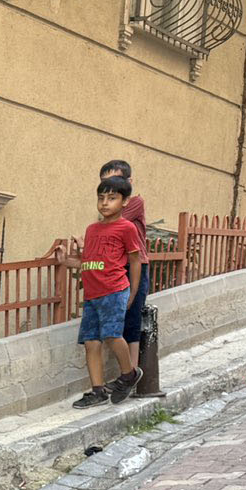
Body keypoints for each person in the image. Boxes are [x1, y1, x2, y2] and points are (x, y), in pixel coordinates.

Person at [74, 174, 144, 407]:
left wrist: (133, 293)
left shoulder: (127, 228)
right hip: (92, 294)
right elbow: (88, 261)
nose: (105, 203)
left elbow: (135, 261)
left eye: (112, 198)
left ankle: (129, 374)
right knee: (91, 342)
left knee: (112, 335)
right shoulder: (92, 229)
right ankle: (98, 390)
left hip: (115, 290)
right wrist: (66, 261)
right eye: (101, 198)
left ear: (124, 202)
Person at [102, 157, 152, 355]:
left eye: (116, 182)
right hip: (115, 265)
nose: (110, 188)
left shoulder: (135, 202)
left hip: (135, 265)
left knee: (131, 317)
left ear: (129, 183)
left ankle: (130, 374)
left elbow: (110, 224)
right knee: (114, 317)